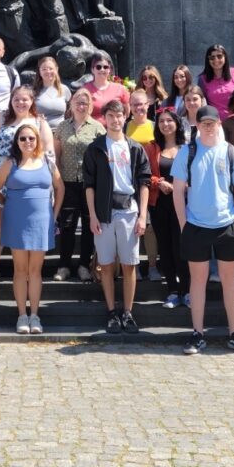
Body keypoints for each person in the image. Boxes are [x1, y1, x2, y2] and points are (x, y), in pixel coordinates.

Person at [171, 105, 234, 356]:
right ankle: (197, 333)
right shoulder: (188, 151)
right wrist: (184, 223)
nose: (208, 127)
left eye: (212, 123)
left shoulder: (230, 152)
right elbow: (178, 191)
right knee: (198, 281)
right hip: (196, 225)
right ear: (197, 125)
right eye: (203, 123)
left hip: (227, 225)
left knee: (229, 281)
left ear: (219, 124)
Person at [83, 99, 150, 334]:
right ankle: (112, 311)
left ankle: (128, 312)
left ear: (125, 116)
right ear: (105, 118)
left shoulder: (135, 147)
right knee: (106, 264)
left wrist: (142, 216)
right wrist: (92, 215)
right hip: (103, 213)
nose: (115, 120)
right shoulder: (96, 147)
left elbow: (144, 182)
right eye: (110, 116)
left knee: (130, 264)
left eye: (119, 115)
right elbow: (89, 185)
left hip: (129, 211)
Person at [0, 122, 64, 334]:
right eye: (22, 138)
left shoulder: (47, 162)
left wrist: (55, 213)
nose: (27, 142)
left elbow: (60, 188)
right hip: (16, 221)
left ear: (37, 140)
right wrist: (9, 204)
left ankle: (35, 316)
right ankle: (22, 315)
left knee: (35, 270)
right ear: (17, 142)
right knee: (20, 270)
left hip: (42, 221)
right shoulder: (10, 163)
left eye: (31, 138)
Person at [0, 85, 54, 277]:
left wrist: (49, 182)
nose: (21, 103)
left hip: (31, 179)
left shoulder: (39, 122)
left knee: (24, 222)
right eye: (16, 99)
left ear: (32, 102)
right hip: (0, 175)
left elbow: (49, 152)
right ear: (11, 101)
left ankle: (26, 268)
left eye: (25, 99)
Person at [53, 87, 104, 282]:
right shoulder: (62, 127)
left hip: (89, 184)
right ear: (71, 104)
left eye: (85, 103)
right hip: (66, 183)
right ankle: (64, 265)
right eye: (78, 102)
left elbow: (102, 158)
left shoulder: (98, 128)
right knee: (67, 225)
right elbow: (57, 155)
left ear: (90, 106)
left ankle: (84, 264)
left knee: (89, 223)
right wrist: (57, 182)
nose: (81, 106)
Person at [146, 107, 189, 308]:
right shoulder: (151, 148)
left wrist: (181, 186)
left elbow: (196, 176)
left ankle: (187, 291)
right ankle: (172, 290)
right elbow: (144, 174)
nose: (165, 125)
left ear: (177, 124)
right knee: (165, 247)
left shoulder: (188, 148)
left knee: (182, 247)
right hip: (159, 205)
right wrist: (158, 183)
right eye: (161, 121)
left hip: (184, 204)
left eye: (169, 121)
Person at [126, 88, 159, 280]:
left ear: (148, 105)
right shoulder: (124, 127)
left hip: (151, 182)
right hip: (129, 182)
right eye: (135, 104)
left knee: (150, 227)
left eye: (142, 104)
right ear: (130, 107)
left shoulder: (155, 126)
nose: (139, 107)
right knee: (132, 226)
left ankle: (153, 265)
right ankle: (135, 265)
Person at [196, 45, 234, 121]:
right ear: (208, 60)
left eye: (219, 56)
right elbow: (202, 103)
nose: (216, 60)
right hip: (214, 122)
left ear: (225, 57)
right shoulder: (202, 79)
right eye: (212, 57)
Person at [83, 50, 129, 123]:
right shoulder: (85, 89)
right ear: (92, 70)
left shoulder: (120, 89)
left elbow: (127, 112)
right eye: (98, 67)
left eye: (105, 67)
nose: (102, 69)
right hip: (93, 131)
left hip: (114, 130)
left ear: (109, 70)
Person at [32, 55, 71, 132]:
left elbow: (70, 112)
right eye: (44, 69)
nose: (48, 72)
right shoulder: (32, 91)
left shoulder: (64, 89)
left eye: (51, 69)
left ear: (56, 69)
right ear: (39, 71)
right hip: (39, 132)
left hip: (61, 133)